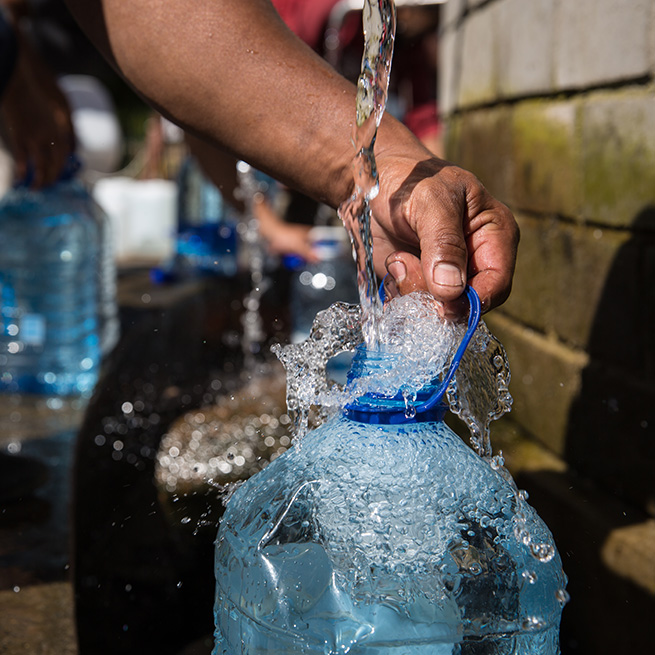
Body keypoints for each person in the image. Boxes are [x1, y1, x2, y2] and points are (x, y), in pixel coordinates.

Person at [64, 0, 517, 316]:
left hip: (345, 181)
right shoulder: (298, 12)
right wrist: (269, 227)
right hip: (251, 179)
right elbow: (203, 98)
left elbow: (427, 129)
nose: (426, 23)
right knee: (262, 292)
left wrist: (432, 198)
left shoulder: (402, 32)